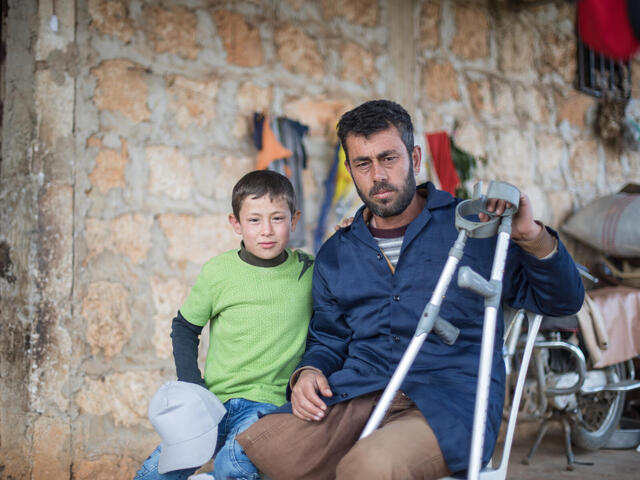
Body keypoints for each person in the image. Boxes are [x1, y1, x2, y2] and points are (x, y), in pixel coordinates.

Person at [236, 99, 585, 480]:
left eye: (389, 158)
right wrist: (308, 372)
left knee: (368, 468)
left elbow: (563, 300)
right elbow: (328, 339)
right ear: (350, 169)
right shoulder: (337, 252)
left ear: (415, 158)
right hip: (359, 395)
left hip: (447, 402)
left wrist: (531, 236)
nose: (378, 175)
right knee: (239, 459)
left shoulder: (474, 229)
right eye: (363, 164)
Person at [135, 170, 314, 480]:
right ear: (236, 224)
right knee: (156, 472)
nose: (266, 231)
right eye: (254, 220)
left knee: (234, 464)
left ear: (294, 219)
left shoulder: (309, 271)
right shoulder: (218, 272)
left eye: (277, 218)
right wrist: (192, 385)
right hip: (212, 402)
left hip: (268, 406)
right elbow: (184, 327)